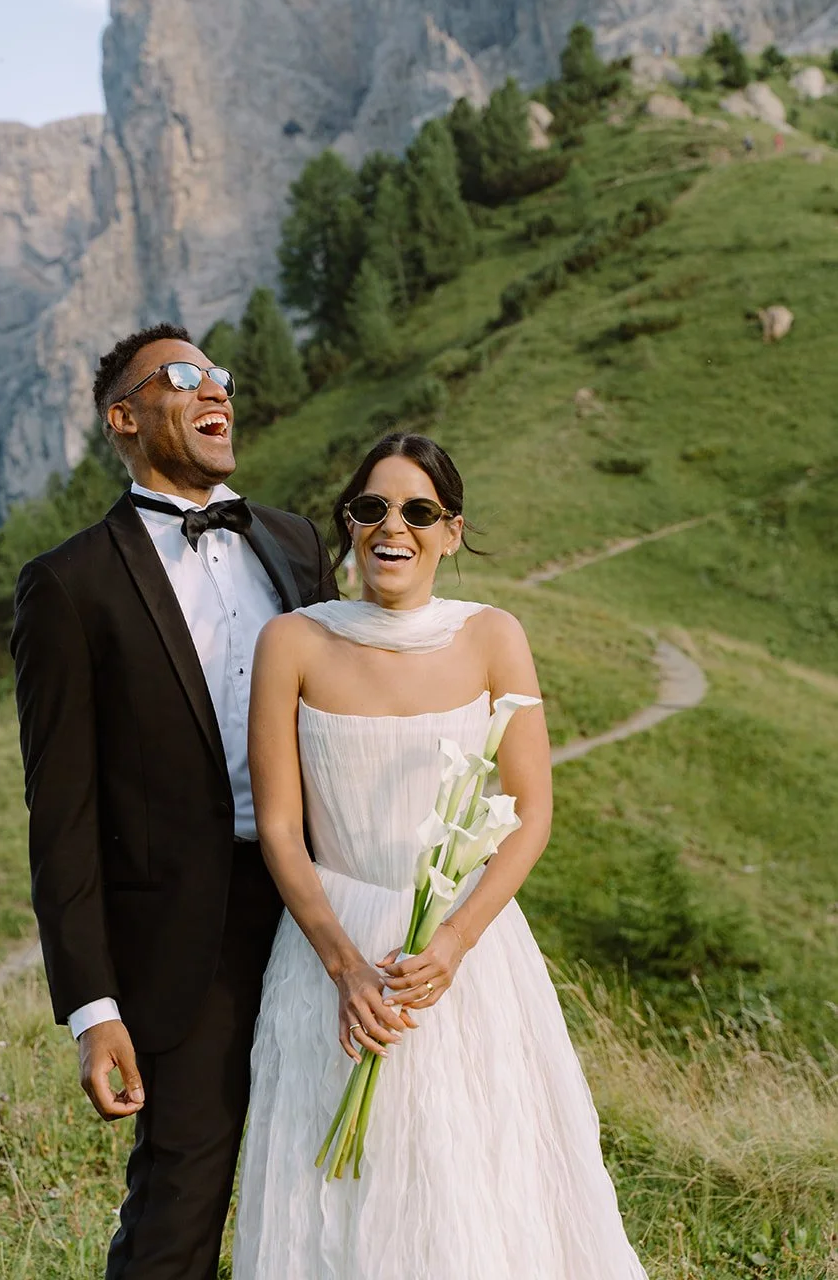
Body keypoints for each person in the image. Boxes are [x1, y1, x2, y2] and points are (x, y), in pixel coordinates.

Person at [233, 431, 647, 1278]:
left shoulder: (493, 637)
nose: (395, 527)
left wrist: (454, 942)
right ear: (349, 523)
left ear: (451, 531)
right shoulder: (293, 644)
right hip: (330, 950)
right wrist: (345, 969)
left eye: (418, 511)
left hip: (463, 951)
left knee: (474, 1180)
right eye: (373, 508)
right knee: (338, 1187)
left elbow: (532, 812)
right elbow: (279, 827)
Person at [10, 323, 337, 1280]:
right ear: (125, 416)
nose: (214, 391)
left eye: (220, 376)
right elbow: (58, 814)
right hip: (187, 939)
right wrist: (90, 1006)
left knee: (335, 1171)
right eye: (181, 378)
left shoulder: (293, 542)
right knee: (184, 1194)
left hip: (322, 907)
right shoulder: (67, 586)